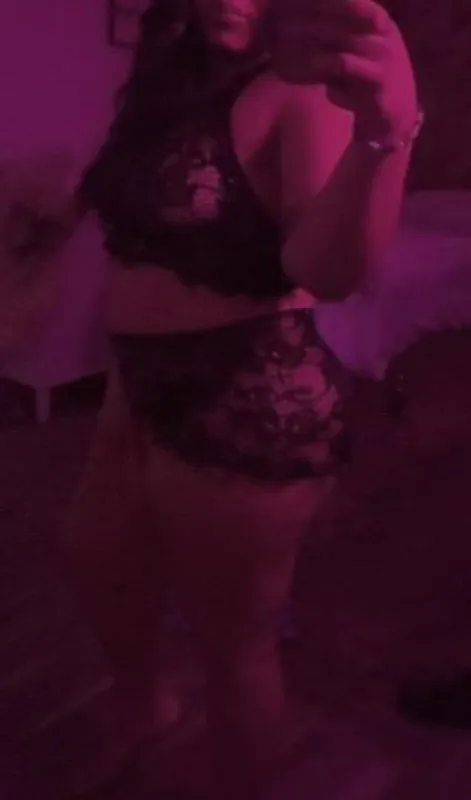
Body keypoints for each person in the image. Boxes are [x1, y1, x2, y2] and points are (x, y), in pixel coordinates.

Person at [59, 0, 420, 797]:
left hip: (246, 390)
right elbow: (137, 207)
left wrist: (383, 134)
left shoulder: (298, 89)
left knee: (233, 646)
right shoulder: (167, 82)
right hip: (133, 382)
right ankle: (145, 717)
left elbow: (324, 270)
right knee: (97, 564)